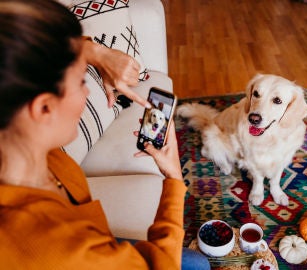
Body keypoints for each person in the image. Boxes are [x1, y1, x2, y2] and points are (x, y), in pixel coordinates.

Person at [0, 0, 210, 269]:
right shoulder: (64, 250)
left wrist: (96, 53)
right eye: (80, 81)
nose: (88, 92)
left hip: (93, 239)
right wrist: (173, 177)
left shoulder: (22, 142)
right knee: (197, 265)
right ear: (43, 107)